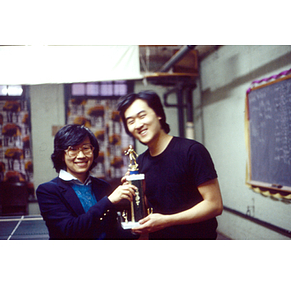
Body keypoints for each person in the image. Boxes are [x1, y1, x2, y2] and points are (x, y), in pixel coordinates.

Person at [117, 90, 223, 239]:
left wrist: (167, 221)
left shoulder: (191, 151)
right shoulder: (140, 162)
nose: (138, 125)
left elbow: (214, 205)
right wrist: (139, 192)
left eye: (142, 116)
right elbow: (153, 205)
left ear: (158, 114)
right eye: (131, 121)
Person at [36, 124, 138, 240]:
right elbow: (70, 229)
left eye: (86, 148)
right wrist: (108, 201)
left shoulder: (103, 186)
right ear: (61, 155)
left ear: (93, 151)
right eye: (73, 149)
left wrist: (135, 230)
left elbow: (112, 232)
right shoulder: (48, 190)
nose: (81, 155)